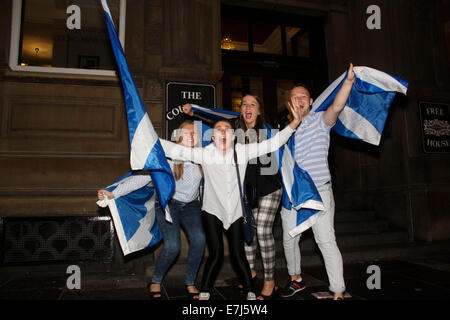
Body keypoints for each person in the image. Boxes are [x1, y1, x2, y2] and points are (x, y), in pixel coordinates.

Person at [159, 102, 304, 300]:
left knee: (238, 255)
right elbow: (175, 150)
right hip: (212, 211)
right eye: (218, 129)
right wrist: (147, 140)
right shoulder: (204, 154)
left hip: (236, 211)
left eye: (227, 129)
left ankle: (250, 289)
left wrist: (294, 123)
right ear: (212, 137)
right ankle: (205, 290)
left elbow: (273, 143)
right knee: (216, 254)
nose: (223, 132)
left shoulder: (242, 152)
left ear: (234, 136)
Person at [182, 94, 282, 300]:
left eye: (253, 104)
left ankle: (269, 280)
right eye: (244, 104)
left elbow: (280, 152)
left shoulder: (268, 130)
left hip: (269, 187)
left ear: (259, 110)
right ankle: (251, 274)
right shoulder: (235, 128)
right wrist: (195, 114)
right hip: (247, 193)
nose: (248, 107)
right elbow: (216, 120)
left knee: (262, 230)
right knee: (248, 237)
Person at [97, 121, 205, 300]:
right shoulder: (167, 158)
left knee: (200, 240)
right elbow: (141, 179)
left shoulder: (203, 156)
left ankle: (190, 281)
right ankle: (156, 280)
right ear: (178, 137)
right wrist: (113, 193)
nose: (192, 136)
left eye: (195, 133)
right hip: (168, 204)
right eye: (187, 133)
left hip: (192, 205)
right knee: (172, 246)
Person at [279, 63, 355, 300]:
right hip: (293, 193)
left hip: (319, 190)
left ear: (311, 101)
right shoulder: (286, 129)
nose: (298, 100)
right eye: (294, 97)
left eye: (302, 96)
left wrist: (349, 82)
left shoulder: (322, 119)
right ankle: (296, 279)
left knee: (325, 240)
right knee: (289, 239)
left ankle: (338, 291)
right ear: (290, 103)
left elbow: (338, 106)